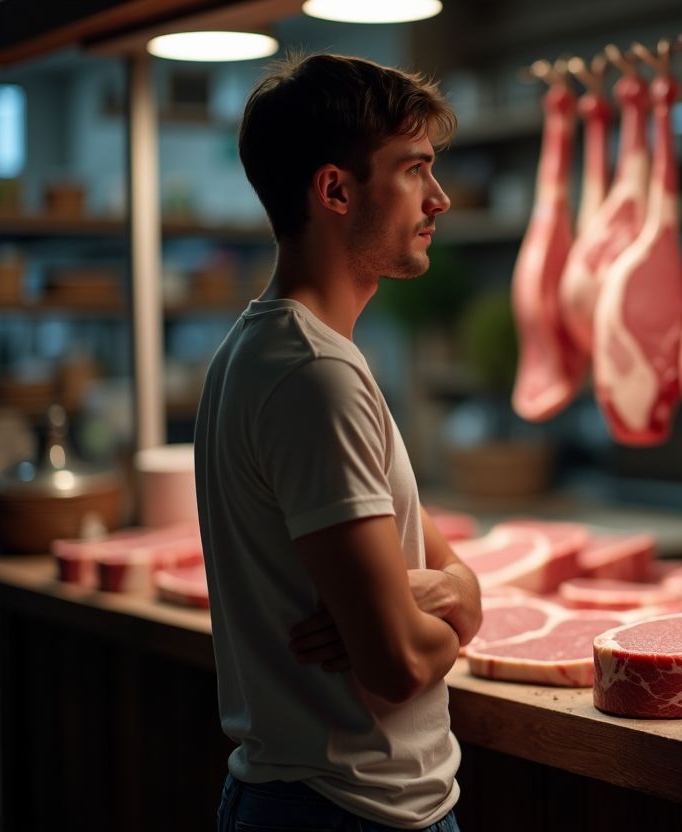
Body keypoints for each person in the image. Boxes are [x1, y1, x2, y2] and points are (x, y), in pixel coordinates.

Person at [195, 53, 482, 832]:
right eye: (414, 169)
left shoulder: (265, 348)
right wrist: (459, 608)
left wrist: (449, 593)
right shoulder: (314, 374)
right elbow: (397, 663)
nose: (439, 197)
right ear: (335, 191)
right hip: (348, 811)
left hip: (312, 802)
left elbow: (439, 564)